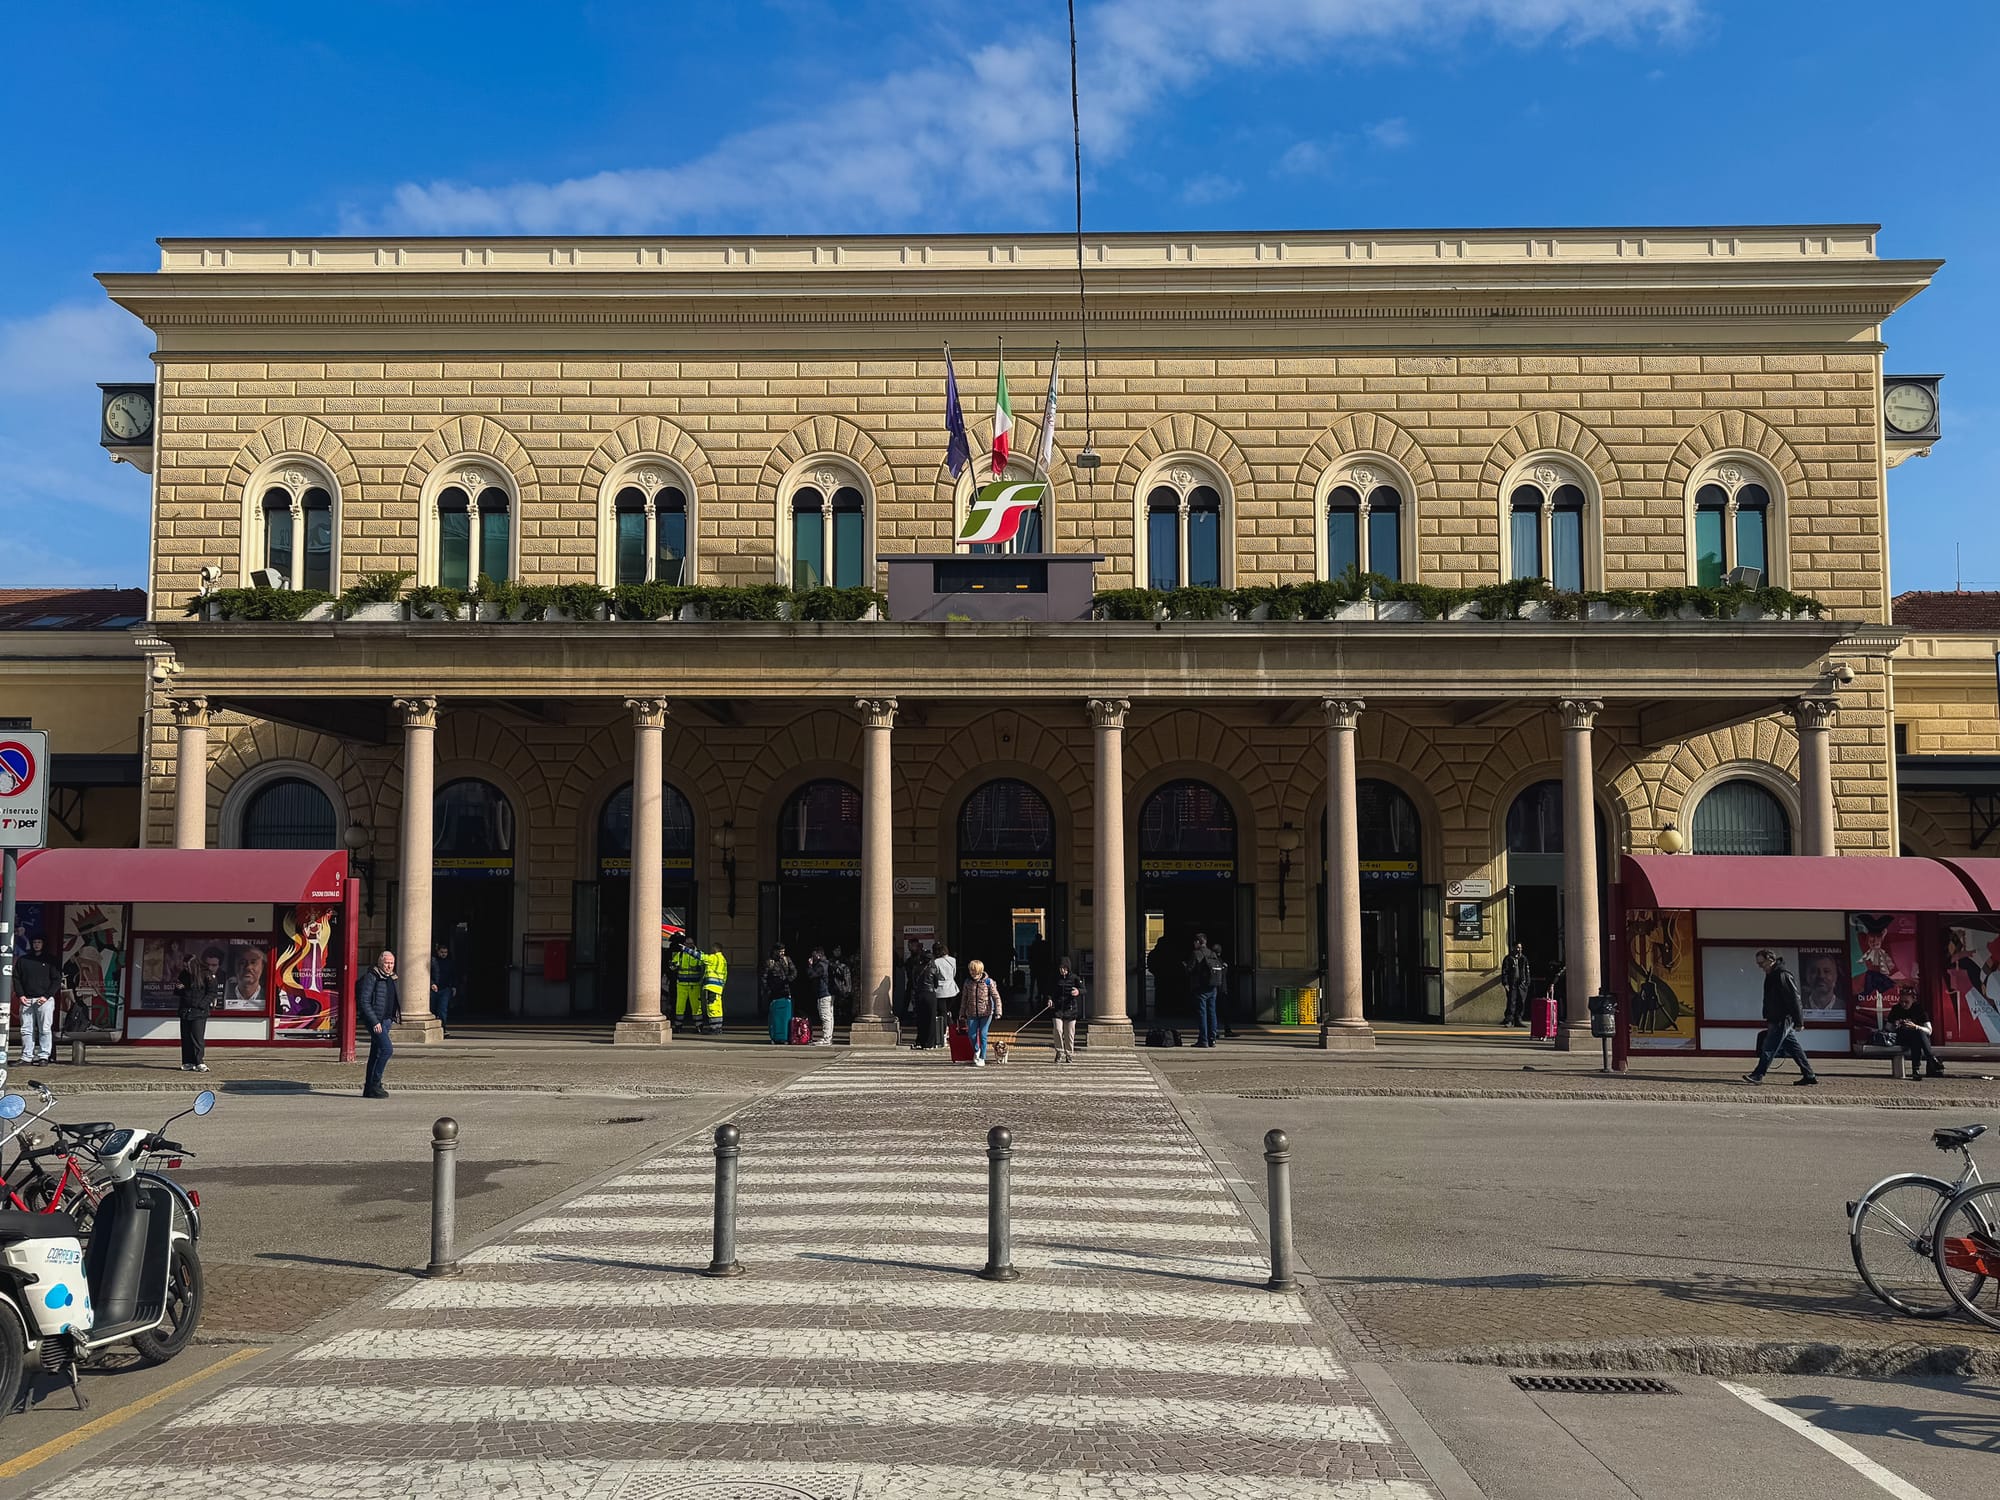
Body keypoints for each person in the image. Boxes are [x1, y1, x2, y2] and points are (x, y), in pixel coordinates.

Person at [1745, 949, 1818, 1086]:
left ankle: (1758, 1074)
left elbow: (1794, 998)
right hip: (1776, 1017)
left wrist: (1799, 1021)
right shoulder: (1772, 975)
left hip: (1782, 1018)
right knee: (1794, 1048)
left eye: (1761, 963)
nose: (1760, 966)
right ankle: (1809, 1074)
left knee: (1769, 1046)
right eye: (1758, 964)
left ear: (1770, 960)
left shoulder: (1782, 975)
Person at [356, 949, 400, 1098]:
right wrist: (374, 1021)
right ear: (380, 963)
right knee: (387, 1049)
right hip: (376, 1021)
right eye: (387, 963)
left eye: (392, 963)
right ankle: (376, 1083)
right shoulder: (372, 976)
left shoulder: (391, 978)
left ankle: (369, 1088)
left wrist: (393, 1017)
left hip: (387, 1020)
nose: (389, 966)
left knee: (376, 1053)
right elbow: (364, 1001)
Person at [174, 948, 225, 1073]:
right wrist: (179, 988)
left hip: (199, 1011)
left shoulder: (206, 974)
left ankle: (199, 1062)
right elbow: (177, 992)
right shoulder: (184, 974)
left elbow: (212, 992)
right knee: (186, 1037)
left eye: (188, 966)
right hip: (185, 1010)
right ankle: (187, 1061)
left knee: (197, 1038)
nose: (186, 968)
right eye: (184, 966)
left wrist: (201, 1005)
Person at [15, 935, 59, 1068]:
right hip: (26, 999)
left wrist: (46, 996)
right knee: (26, 1029)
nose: (37, 944)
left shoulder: (50, 960)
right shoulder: (23, 960)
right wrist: (21, 995)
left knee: (44, 1029)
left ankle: (44, 1056)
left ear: (44, 944)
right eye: (34, 942)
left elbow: (56, 980)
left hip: (45, 1000)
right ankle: (26, 1056)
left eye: (39, 942)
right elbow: (16, 978)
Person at [1886, 992, 1946, 1079]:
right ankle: (1930, 1059)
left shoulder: (1919, 1010)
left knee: (1917, 1034)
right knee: (1918, 1035)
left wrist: (1916, 1026)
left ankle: (1916, 1071)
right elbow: (1888, 1028)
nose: (1903, 1004)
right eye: (1901, 1002)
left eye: (1907, 1002)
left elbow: (1929, 1031)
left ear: (1913, 1000)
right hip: (1902, 1037)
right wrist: (1895, 1025)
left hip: (1917, 1039)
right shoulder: (1896, 1009)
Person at [957, 957, 1002, 1066]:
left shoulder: (988, 982)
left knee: (983, 1035)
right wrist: (962, 1013)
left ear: (980, 971)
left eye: (975, 972)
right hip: (971, 1013)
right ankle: (977, 1050)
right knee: (971, 1035)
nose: (973, 974)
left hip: (986, 1013)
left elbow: (996, 997)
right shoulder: (968, 982)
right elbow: (964, 998)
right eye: (971, 971)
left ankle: (982, 1057)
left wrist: (998, 1011)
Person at [1187, 934, 1224, 1048]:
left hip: (1201, 987)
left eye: (1194, 942)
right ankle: (1212, 1039)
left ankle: (1203, 1040)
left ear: (1198, 942)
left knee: (1202, 1013)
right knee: (1212, 1012)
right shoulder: (1212, 953)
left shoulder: (1196, 953)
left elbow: (1190, 970)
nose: (1194, 944)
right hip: (1213, 987)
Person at [1050, 955, 1085, 1063]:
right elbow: (1050, 991)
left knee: (1069, 1033)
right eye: (1060, 968)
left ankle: (1069, 1054)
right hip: (1057, 1009)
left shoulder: (1075, 978)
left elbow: (1084, 990)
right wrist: (1049, 999)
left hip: (1071, 1009)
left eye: (1064, 968)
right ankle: (1059, 1052)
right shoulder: (1055, 978)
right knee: (1058, 1030)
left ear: (1068, 968)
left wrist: (1078, 991)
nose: (1062, 970)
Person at [761, 945, 796, 1044]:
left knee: (786, 1016)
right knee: (775, 1016)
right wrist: (767, 990)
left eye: (783, 951)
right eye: (780, 951)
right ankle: (775, 1036)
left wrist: (789, 979)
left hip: (786, 991)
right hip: (774, 993)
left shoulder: (786, 960)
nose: (782, 953)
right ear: (775, 951)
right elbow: (764, 977)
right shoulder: (769, 962)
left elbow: (794, 971)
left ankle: (785, 1036)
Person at [671, 936, 705, 1032]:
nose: (689, 945)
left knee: (696, 1006)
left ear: (694, 944)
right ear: (684, 944)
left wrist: (698, 968)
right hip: (682, 984)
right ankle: (678, 1026)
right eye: (687, 943)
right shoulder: (680, 954)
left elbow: (703, 966)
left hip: (695, 984)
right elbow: (673, 966)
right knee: (680, 1006)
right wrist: (674, 965)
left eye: (690, 943)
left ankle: (699, 1026)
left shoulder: (699, 954)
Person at [805, 946, 834, 1046]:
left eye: (813, 955)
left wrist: (810, 966)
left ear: (818, 955)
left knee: (825, 1016)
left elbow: (812, 975)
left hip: (823, 993)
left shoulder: (821, 965)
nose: (812, 957)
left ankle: (826, 1038)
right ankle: (828, 1037)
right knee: (829, 1016)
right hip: (828, 993)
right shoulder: (826, 963)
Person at [1500, 941, 1532, 1029]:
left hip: (1521, 984)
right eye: (1517, 947)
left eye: (1520, 948)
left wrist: (1527, 982)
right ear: (1513, 948)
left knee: (1521, 1001)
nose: (1519, 949)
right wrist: (1505, 983)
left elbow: (1527, 971)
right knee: (1511, 1001)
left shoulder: (1523, 959)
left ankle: (1518, 1019)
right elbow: (1504, 972)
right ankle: (1509, 1020)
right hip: (1512, 983)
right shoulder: (1508, 959)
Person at [430, 940, 459, 1036]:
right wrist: (431, 983)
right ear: (438, 952)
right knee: (432, 1009)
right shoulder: (433, 961)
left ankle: (443, 1028)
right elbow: (427, 974)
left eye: (445, 952)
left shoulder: (450, 962)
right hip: (434, 988)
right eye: (442, 952)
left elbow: (453, 975)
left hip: (445, 988)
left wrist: (454, 986)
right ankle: (434, 1028)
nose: (443, 954)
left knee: (442, 1009)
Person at [700, 942, 728, 1034]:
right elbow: (725, 975)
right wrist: (722, 986)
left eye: (712, 948)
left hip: (711, 986)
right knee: (718, 1008)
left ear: (715, 949)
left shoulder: (713, 958)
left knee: (712, 1007)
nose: (711, 950)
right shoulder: (723, 960)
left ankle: (714, 1028)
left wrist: (686, 949)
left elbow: (701, 957)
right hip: (718, 987)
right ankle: (718, 1027)